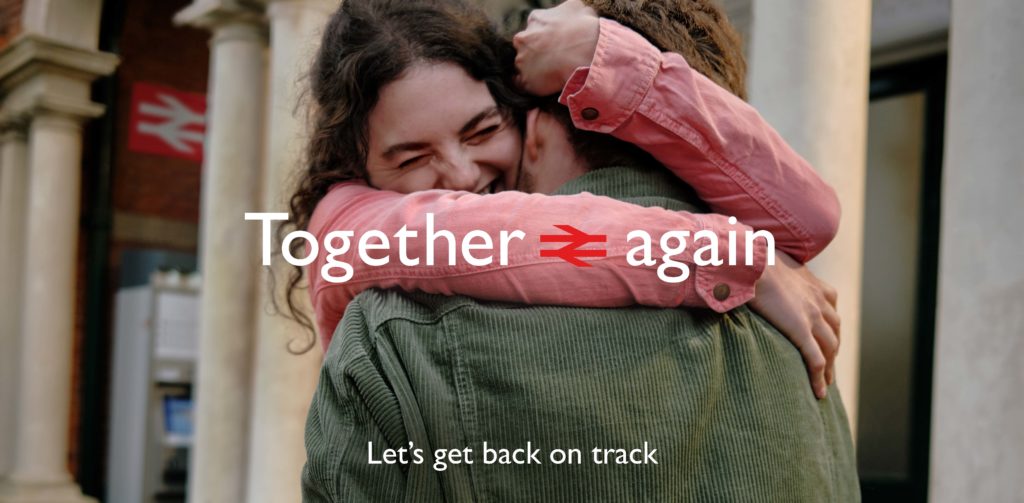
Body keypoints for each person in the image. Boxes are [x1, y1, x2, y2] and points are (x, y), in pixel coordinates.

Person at [299, 0, 859, 500]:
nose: (461, 176)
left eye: (482, 130)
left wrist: (602, 57)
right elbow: (488, 238)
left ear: (530, 121)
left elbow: (812, 215)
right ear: (355, 169)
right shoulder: (351, 228)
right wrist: (733, 255)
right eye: (409, 158)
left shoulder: (393, 339)